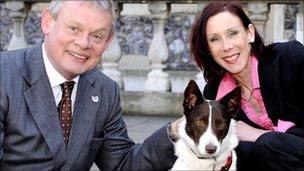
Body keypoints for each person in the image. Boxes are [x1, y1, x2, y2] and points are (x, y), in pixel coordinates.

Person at [0, 1, 180, 170]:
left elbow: (122, 163)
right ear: (48, 22)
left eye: (96, 36)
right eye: (73, 28)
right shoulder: (5, 75)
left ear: (108, 42)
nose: (83, 43)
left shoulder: (105, 90)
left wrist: (176, 132)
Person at [190, 1, 304, 171]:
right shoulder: (214, 94)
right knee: (237, 151)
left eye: (233, 33)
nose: (226, 46)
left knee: (266, 144)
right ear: (208, 49)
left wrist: (256, 134)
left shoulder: (289, 58)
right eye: (215, 39)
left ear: (249, 33)